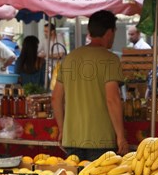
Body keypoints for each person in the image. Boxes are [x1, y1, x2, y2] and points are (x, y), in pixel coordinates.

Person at [52, 10, 128, 161]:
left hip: (72, 138)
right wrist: (121, 137)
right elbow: (112, 99)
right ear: (109, 32)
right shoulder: (110, 60)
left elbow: (55, 98)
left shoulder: (69, 59)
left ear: (90, 31)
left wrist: (62, 130)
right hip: (102, 139)